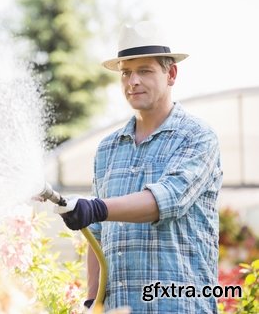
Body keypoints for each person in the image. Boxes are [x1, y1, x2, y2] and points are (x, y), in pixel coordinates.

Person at [53, 21, 223, 313]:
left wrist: (96, 207)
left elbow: (167, 200)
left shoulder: (197, 137)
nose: (133, 81)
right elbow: (98, 234)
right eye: (126, 72)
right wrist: (93, 301)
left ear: (171, 74)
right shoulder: (108, 148)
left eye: (145, 71)